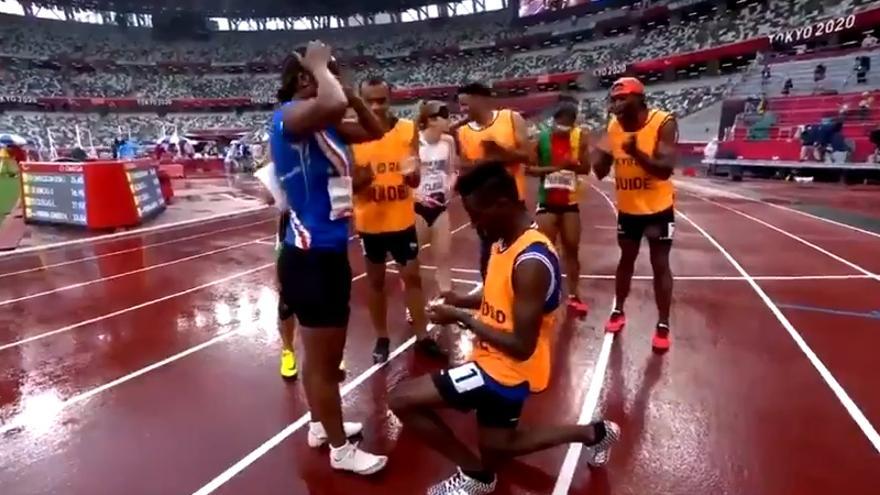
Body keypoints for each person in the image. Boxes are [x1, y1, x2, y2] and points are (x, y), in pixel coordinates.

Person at [389, 163, 619, 495]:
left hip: (507, 369)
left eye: (477, 215)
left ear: (501, 204)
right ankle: (595, 433)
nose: (474, 224)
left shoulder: (531, 263)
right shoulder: (503, 241)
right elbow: (499, 292)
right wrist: (462, 300)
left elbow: (521, 345)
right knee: (499, 446)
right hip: (494, 357)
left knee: (401, 399)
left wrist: (461, 318)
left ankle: (475, 476)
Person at [270, 41, 389, 474]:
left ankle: (321, 424)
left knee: (319, 359)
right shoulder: (289, 119)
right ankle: (341, 449)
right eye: (325, 73)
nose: (334, 78)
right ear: (306, 79)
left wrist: (354, 92)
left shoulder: (327, 124)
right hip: (309, 254)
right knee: (324, 363)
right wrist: (320, 63)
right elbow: (333, 99)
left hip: (327, 249)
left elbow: (376, 129)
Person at [351, 77, 445, 364]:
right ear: (361, 101)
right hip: (370, 223)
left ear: (391, 99)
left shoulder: (407, 129)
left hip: (402, 220)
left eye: (382, 100)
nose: (377, 106)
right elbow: (348, 185)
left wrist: (413, 176)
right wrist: (358, 182)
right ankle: (381, 337)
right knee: (376, 283)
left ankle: (422, 336)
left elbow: (415, 176)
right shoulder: (353, 134)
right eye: (370, 101)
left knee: (412, 278)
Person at [593, 77, 676, 353]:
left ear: (639, 99)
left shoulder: (663, 122)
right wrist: (599, 148)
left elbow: (665, 169)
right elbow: (600, 171)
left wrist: (636, 153)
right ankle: (618, 310)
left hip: (658, 209)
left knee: (660, 264)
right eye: (613, 100)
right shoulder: (613, 127)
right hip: (628, 210)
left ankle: (663, 324)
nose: (616, 104)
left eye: (622, 98)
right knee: (625, 261)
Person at [456, 82, 532, 279]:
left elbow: (529, 156)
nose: (462, 110)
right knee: (488, 261)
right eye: (460, 105)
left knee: (518, 255)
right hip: (484, 209)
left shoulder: (510, 118)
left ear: (480, 100)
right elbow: (465, 171)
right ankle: (493, 302)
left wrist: (499, 154)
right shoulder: (463, 132)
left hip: (513, 202)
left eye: (465, 104)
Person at [529, 102, 591, 317]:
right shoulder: (542, 138)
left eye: (570, 123)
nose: (565, 126)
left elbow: (586, 167)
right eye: (562, 122)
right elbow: (531, 169)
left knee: (572, 249)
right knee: (545, 249)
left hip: (570, 203)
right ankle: (543, 293)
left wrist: (572, 164)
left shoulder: (580, 137)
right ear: (555, 120)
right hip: (547, 202)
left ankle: (574, 295)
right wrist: (554, 168)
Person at [415, 100, 458, 297]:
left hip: (440, 205)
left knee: (444, 257)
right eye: (445, 116)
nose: (450, 120)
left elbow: (452, 170)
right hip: (417, 208)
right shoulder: (413, 142)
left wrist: (450, 185)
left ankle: (446, 299)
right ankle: (413, 303)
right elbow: (402, 177)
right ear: (431, 120)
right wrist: (416, 195)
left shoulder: (448, 141)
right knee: (412, 261)